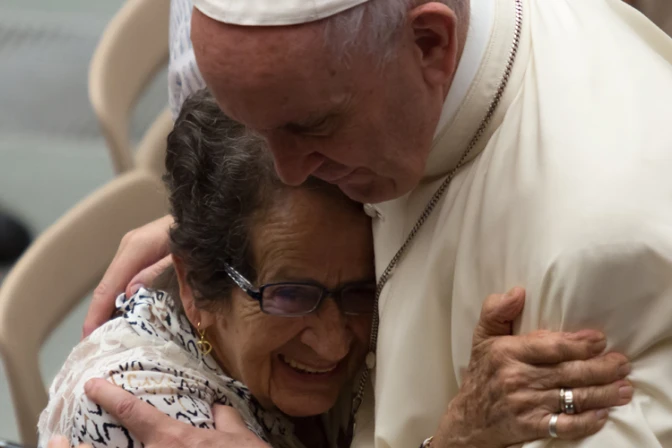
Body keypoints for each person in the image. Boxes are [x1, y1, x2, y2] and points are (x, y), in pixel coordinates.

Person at [82, 0, 672, 446]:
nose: (288, 174)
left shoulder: (597, 250)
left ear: (430, 42)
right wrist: (223, 214)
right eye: (258, 130)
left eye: (311, 127)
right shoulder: (389, 84)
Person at [42, 91, 630, 448]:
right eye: (290, 295)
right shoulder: (145, 414)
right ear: (196, 286)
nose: (331, 344)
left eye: (356, 291)